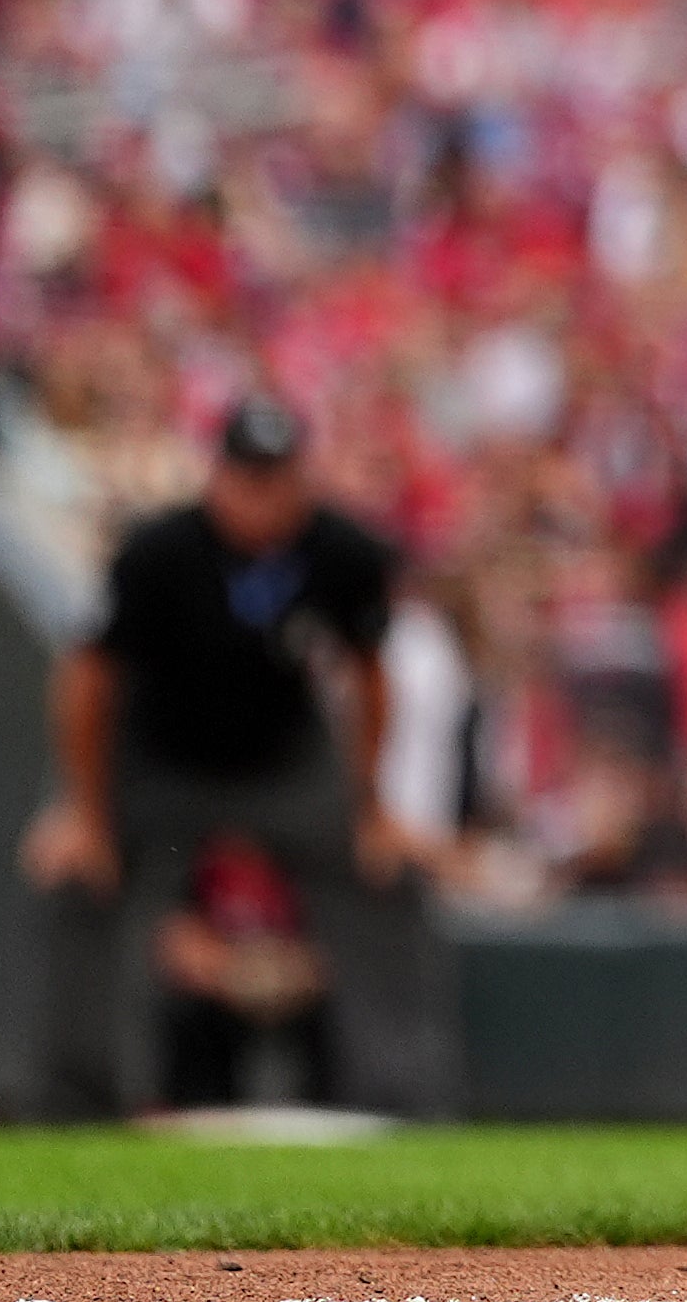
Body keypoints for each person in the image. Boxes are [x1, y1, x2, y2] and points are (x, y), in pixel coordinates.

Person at [24, 397, 436, 1112]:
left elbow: (369, 680)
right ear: (216, 476)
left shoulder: (341, 552)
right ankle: (80, 1103)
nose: (263, 497)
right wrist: (83, 810)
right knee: (83, 879)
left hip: (285, 760)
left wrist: (372, 809)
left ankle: (399, 1103)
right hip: (161, 756)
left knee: (386, 877)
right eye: (248, 477)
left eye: (278, 478)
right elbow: (89, 679)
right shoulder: (158, 552)